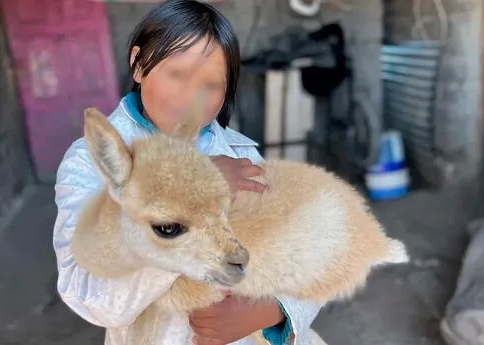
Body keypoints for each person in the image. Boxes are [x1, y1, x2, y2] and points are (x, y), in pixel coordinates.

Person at [52, 1, 323, 344]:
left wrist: (275, 310)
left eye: (211, 85)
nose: (190, 97)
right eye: (176, 74)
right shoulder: (91, 163)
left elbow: (307, 257)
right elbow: (87, 295)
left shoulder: (242, 157)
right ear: (138, 64)